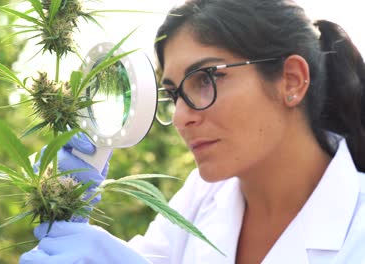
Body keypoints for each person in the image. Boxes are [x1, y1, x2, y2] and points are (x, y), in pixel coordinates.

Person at [20, 0, 365, 263]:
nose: (183, 117)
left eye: (207, 79)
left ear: (291, 80)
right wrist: (67, 210)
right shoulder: (202, 196)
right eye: (173, 94)